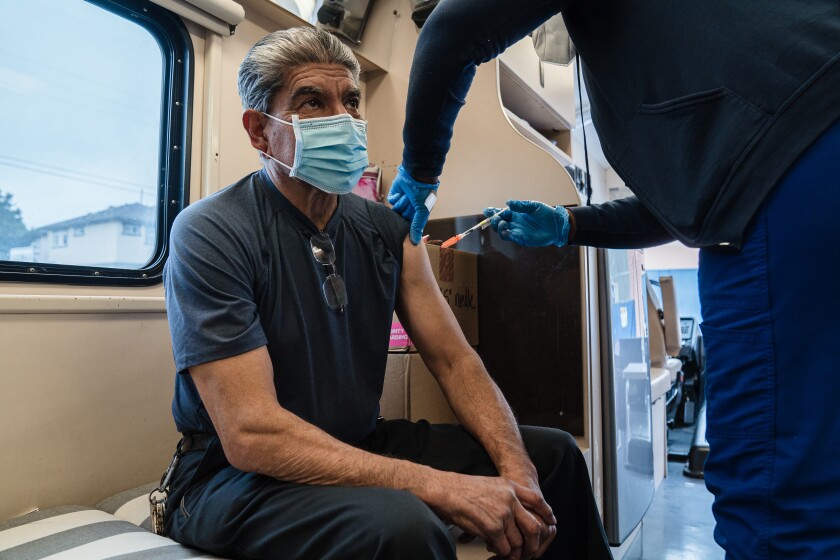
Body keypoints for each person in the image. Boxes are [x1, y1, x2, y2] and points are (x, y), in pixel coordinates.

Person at [387, 1, 840, 558]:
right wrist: (569, 224)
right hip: (806, 153)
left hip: (795, 175)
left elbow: (452, 29)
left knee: (779, 501)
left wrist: (419, 172)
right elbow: (680, 208)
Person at [161, 26, 612, 560]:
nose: (344, 119)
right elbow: (252, 434)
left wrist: (518, 472)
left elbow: (455, 361)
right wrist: (437, 486)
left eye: (351, 101)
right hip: (232, 476)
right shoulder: (211, 231)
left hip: (356, 442)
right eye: (312, 102)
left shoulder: (389, 230)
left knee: (554, 456)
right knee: (403, 527)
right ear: (260, 132)